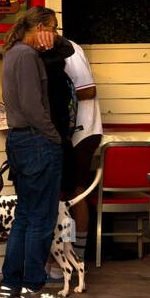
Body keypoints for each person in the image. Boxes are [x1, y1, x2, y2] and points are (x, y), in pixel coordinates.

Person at [0, 5, 74, 298]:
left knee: (25, 216)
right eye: (52, 27)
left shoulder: (13, 52)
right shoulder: (28, 56)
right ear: (39, 26)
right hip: (37, 141)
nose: (55, 33)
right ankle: (32, 287)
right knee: (41, 218)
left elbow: (65, 47)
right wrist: (54, 137)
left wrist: (53, 41)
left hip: (18, 141)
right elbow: (33, 105)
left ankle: (10, 285)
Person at [64, 39, 102, 243]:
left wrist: (53, 95)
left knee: (74, 194)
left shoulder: (69, 50)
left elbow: (89, 90)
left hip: (82, 131)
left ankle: (74, 253)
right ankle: (66, 251)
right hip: (70, 133)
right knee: (64, 196)